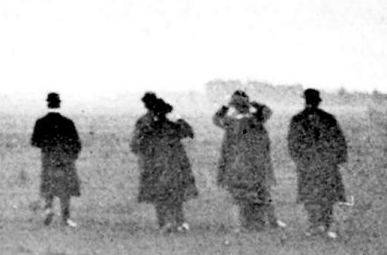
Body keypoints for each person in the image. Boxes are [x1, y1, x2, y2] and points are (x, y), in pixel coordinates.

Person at [213, 89, 282, 231]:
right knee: (262, 194)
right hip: (256, 163)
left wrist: (225, 108)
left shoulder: (231, 122)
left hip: (237, 163)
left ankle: (247, 224)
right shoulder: (255, 120)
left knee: (242, 196)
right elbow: (267, 112)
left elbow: (216, 119)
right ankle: (267, 222)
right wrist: (254, 104)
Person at [131, 92, 198, 233]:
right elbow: (135, 145)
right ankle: (166, 224)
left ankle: (178, 223)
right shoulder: (145, 123)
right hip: (156, 165)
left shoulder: (170, 124)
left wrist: (179, 119)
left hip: (172, 164)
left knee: (174, 194)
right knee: (161, 195)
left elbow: (189, 132)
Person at [287, 88, 348, 238]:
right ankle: (324, 227)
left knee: (311, 195)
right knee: (326, 196)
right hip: (325, 163)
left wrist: (298, 159)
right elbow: (339, 140)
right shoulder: (328, 118)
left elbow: (292, 143)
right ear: (318, 101)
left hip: (309, 164)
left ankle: (314, 226)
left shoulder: (298, 119)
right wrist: (339, 158)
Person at [30, 92, 82, 228]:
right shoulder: (68, 123)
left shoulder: (40, 122)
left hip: (48, 158)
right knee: (65, 189)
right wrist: (72, 155)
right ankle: (66, 217)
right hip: (65, 158)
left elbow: (35, 142)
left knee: (48, 186)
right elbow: (76, 143)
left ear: (48, 103)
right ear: (59, 104)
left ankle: (48, 209)